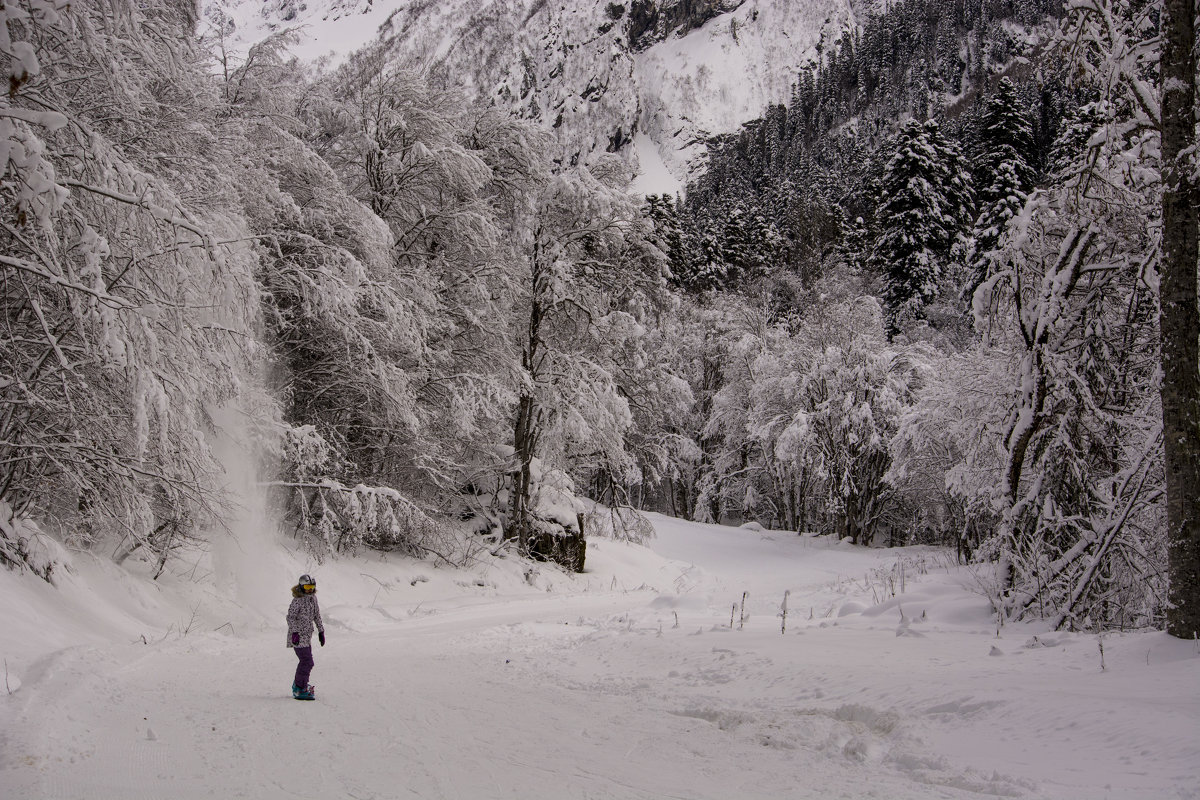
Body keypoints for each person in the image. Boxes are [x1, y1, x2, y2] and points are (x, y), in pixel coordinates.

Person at [286, 573, 325, 700]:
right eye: (307, 587)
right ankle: (298, 687)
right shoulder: (297, 600)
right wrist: (295, 632)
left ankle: (301, 684)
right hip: (298, 637)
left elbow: (317, 615)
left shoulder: (313, 598)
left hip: (307, 635)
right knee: (307, 661)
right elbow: (290, 618)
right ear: (301, 587)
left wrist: (321, 631)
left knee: (307, 662)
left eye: (312, 587)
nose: (310, 590)